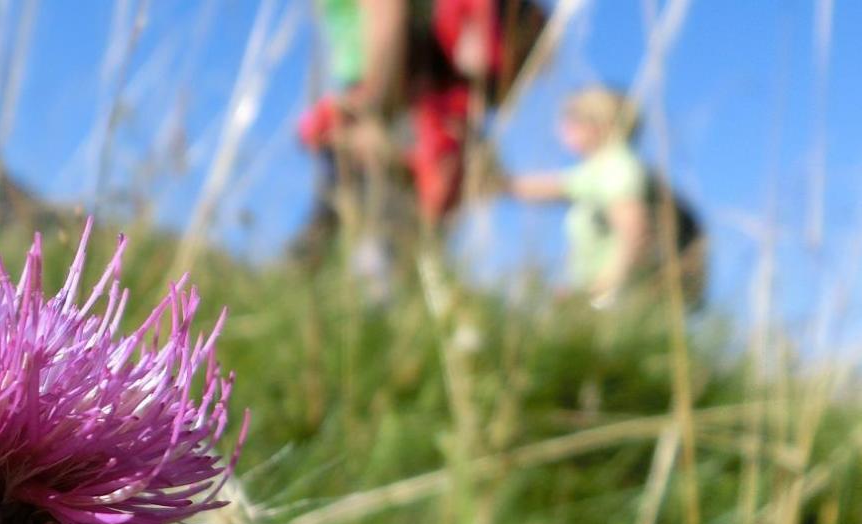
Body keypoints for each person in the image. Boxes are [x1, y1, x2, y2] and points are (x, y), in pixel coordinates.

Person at [290, 0, 546, 266]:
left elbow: (389, 17)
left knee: (380, 220)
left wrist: (370, 110)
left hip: (389, 98)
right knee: (358, 211)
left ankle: (325, 274)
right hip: (404, 101)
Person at [507, 87, 707, 309]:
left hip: (619, 299)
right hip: (607, 295)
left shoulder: (618, 167)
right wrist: (497, 182)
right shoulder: (597, 169)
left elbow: (634, 233)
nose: (561, 128)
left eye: (571, 117)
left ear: (599, 123)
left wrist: (602, 291)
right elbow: (548, 187)